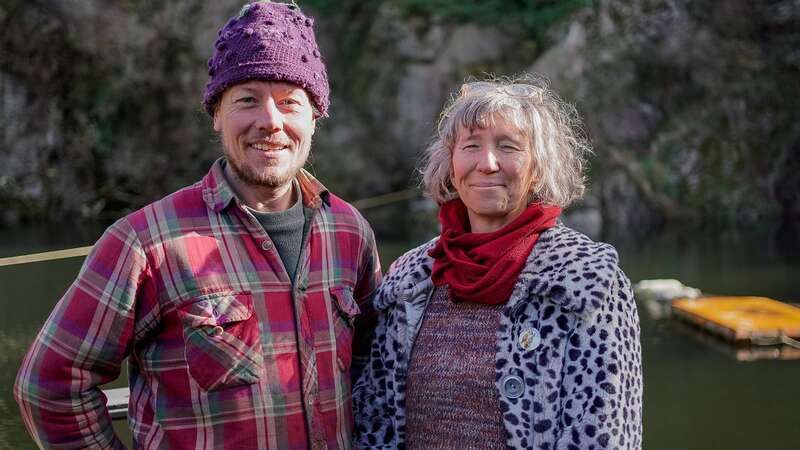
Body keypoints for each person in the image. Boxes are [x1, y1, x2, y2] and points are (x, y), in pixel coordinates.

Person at [14, 2, 381, 449]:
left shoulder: (350, 232)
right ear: (216, 114)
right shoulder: (145, 243)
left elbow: (370, 369)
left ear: (314, 117)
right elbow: (49, 387)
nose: (271, 120)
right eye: (247, 99)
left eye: (290, 102)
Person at [353, 76, 643, 449]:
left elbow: (605, 436)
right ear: (451, 164)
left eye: (508, 147)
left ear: (538, 166)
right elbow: (375, 421)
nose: (487, 163)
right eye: (471, 146)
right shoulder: (410, 278)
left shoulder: (588, 281)